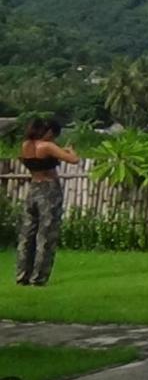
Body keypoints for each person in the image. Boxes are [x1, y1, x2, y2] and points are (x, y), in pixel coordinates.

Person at [16, 117, 78, 286]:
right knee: (46, 235)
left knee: (27, 235)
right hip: (49, 190)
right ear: (49, 132)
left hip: (33, 189)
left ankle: (22, 275)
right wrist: (71, 150)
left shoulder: (26, 145)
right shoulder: (48, 146)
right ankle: (39, 277)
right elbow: (73, 160)